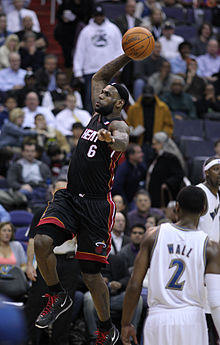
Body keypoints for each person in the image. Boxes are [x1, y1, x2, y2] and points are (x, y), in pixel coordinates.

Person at [33, 53, 131, 345]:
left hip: (97, 205)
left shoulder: (117, 124)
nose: (101, 94)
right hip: (70, 196)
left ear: (119, 103)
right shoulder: (95, 114)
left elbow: (124, 140)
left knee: (90, 275)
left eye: (109, 94)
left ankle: (104, 328)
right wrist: (128, 54)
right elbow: (98, 76)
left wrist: (111, 141)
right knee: (41, 242)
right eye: (102, 93)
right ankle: (56, 294)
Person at [121, 185, 220, 345]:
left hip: (158, 318)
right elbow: (215, 300)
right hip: (192, 319)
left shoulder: (152, 235)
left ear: (177, 207)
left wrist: (126, 323)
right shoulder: (211, 247)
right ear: (203, 211)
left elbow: (134, 283)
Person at [25, 178, 80, 345]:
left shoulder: (76, 213)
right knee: (37, 303)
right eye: (59, 190)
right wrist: (29, 265)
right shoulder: (41, 212)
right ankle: (31, 341)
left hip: (70, 262)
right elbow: (32, 241)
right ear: (52, 192)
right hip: (47, 261)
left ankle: (60, 342)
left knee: (65, 307)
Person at [73, 4, 123, 113]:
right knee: (91, 99)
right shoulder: (86, 31)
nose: (99, 18)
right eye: (97, 15)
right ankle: (91, 123)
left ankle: (108, 122)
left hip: (109, 71)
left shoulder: (113, 29)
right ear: (93, 16)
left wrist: (120, 67)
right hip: (91, 70)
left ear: (104, 15)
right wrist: (78, 71)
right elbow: (80, 50)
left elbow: (119, 49)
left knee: (110, 99)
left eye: (101, 15)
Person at [146, 132, 185, 208]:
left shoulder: (171, 158)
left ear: (161, 144)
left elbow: (179, 175)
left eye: (155, 144)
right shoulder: (156, 156)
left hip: (163, 196)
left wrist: (167, 184)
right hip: (153, 194)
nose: (153, 147)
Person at [112, 144, 147, 208]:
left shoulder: (141, 166)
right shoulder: (123, 169)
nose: (142, 154)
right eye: (139, 152)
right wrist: (125, 202)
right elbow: (117, 187)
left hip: (135, 198)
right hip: (124, 201)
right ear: (131, 155)